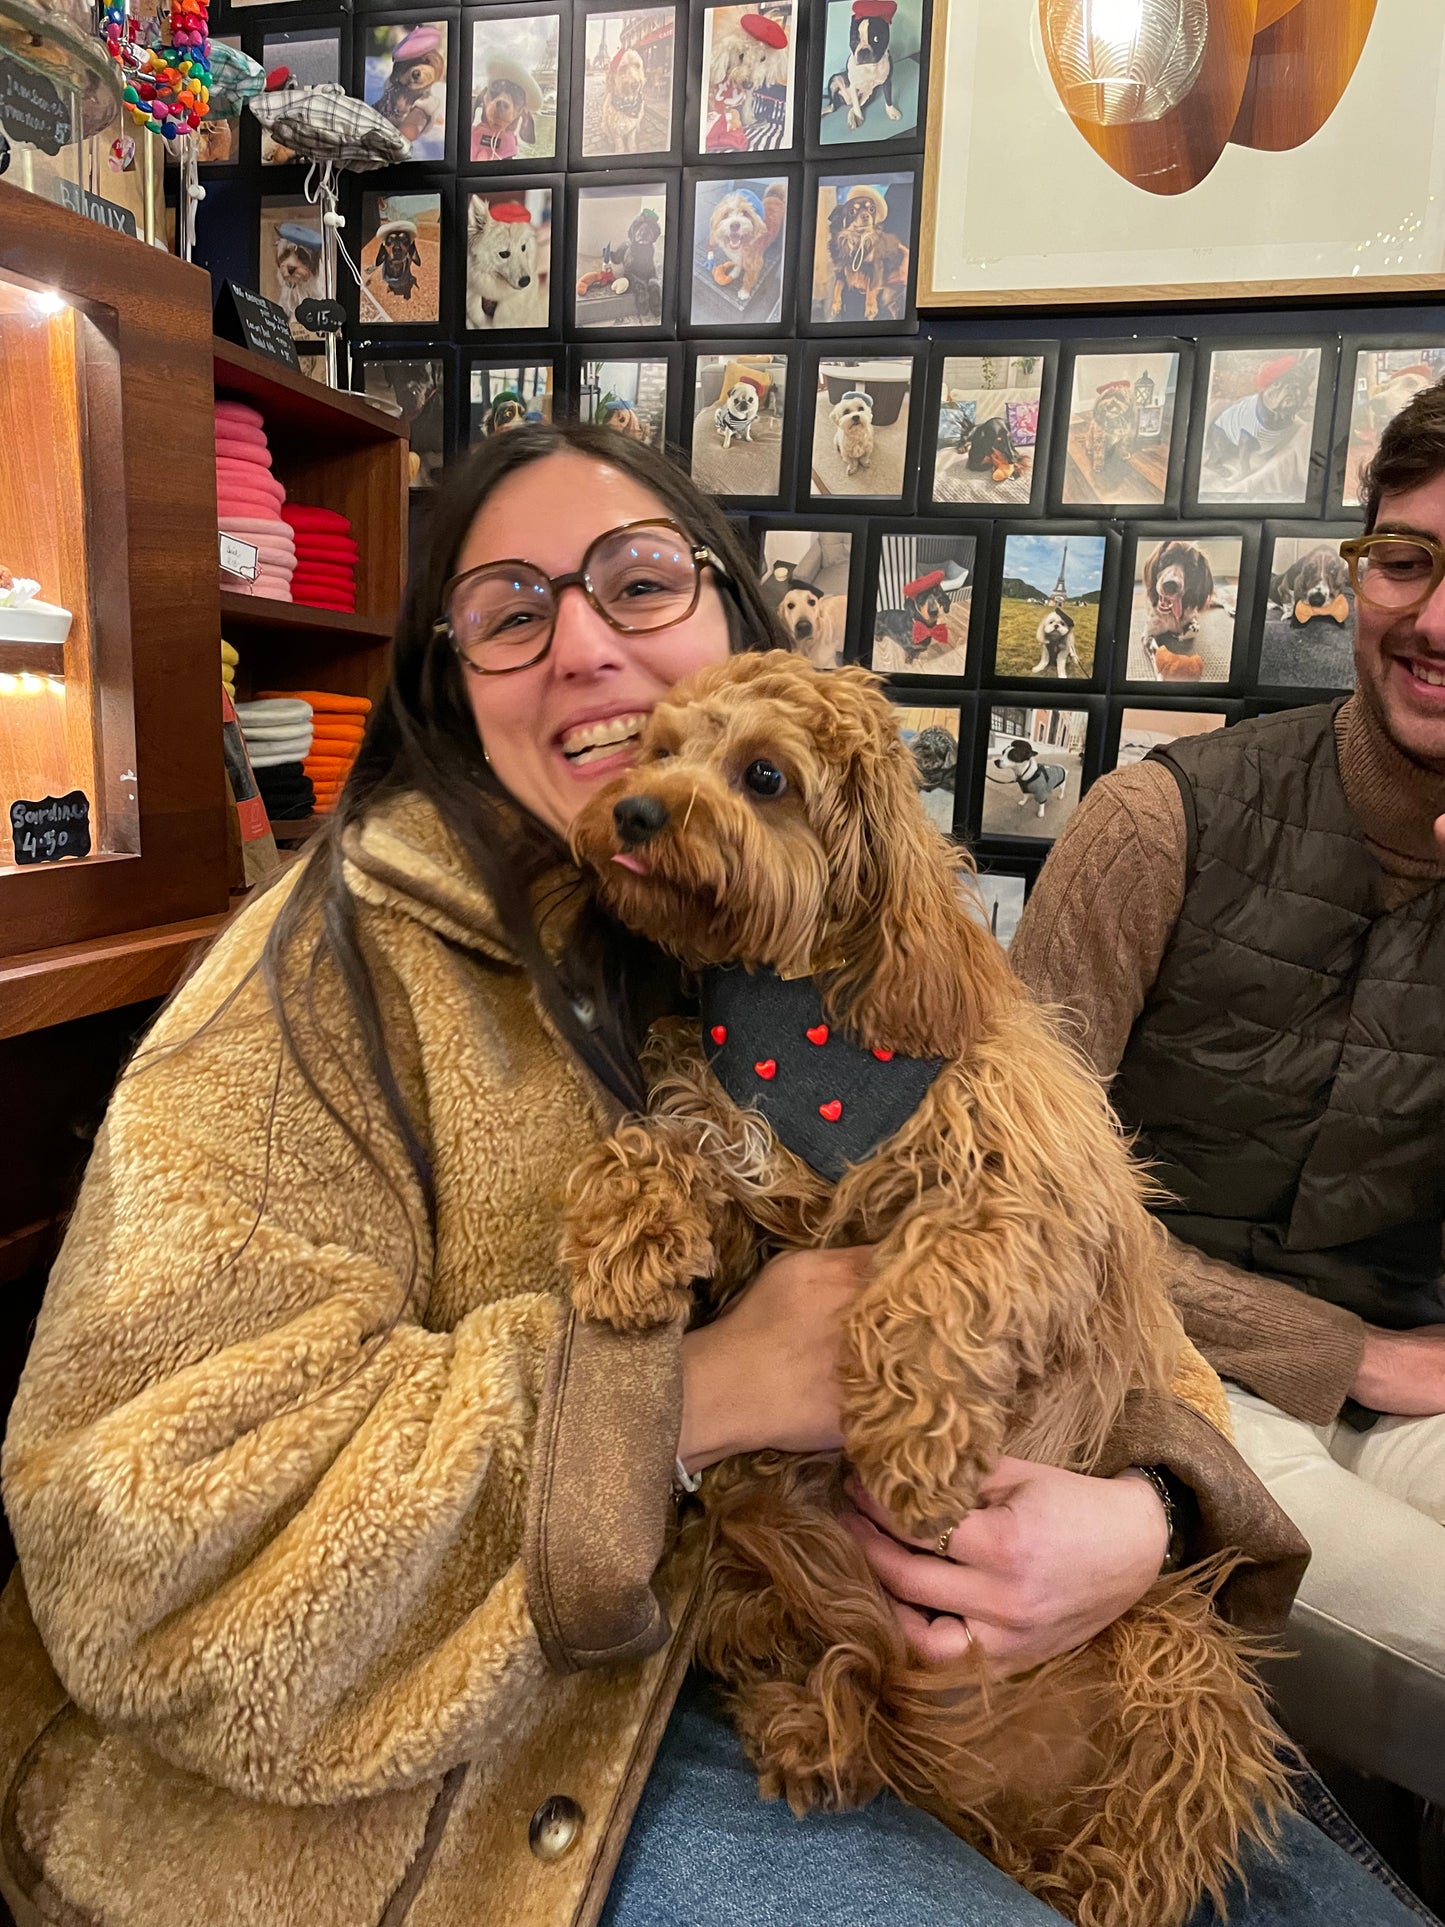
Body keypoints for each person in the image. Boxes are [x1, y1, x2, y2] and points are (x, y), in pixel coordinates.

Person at [0, 425, 1422, 1927]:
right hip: (486, 1760)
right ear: (443, 687)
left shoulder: (855, 971)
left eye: (637, 581)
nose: (586, 649)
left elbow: (1087, 1276)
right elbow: (133, 1526)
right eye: (506, 613)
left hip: (913, 1652)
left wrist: (1143, 1511)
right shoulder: (304, 991)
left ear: (736, 626)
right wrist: (699, 1390)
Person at [1011, 382, 1445, 1803]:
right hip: (1161, 1366)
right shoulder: (1157, 823)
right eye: (1407, 561)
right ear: (1358, 567)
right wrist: (1341, 1354)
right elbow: (1005, 1200)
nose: (1435, 620)